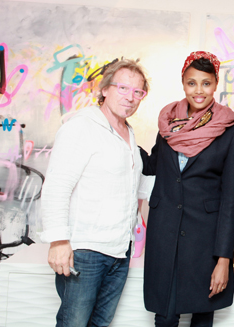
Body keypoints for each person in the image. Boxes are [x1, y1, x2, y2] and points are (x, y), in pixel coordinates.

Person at [40, 59, 150, 327]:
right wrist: (58, 241)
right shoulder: (81, 127)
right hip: (85, 251)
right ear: (104, 89)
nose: (130, 97)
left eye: (138, 92)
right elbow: (56, 186)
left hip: (119, 251)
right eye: (123, 87)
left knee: (99, 324)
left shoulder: (129, 134)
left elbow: (132, 187)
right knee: (73, 324)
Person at [142, 51, 234, 327]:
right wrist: (121, 138)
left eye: (206, 83)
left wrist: (224, 258)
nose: (199, 91)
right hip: (165, 234)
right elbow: (153, 164)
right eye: (192, 83)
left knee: (202, 316)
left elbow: (230, 198)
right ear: (183, 83)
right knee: (164, 317)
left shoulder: (230, 127)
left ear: (215, 84)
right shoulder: (168, 121)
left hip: (205, 240)